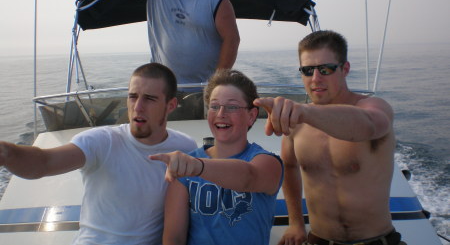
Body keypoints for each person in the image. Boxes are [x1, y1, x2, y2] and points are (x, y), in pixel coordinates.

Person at [0, 62, 197, 245]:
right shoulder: (101, 141)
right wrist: (6, 152)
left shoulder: (185, 147)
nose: (138, 107)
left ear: (170, 105)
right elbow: (44, 162)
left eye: (150, 99)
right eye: (133, 96)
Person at [254, 30, 406, 245]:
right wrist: (296, 223)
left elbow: (370, 124)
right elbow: (289, 166)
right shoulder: (298, 123)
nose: (316, 79)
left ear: (345, 69)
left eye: (325, 69)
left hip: (376, 240)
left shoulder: (373, 107)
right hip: (319, 239)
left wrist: (305, 112)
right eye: (308, 70)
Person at [150, 69, 283, 245]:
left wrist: (198, 167)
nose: (221, 114)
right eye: (214, 106)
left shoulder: (267, 162)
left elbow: (248, 177)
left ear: (251, 116)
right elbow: (174, 237)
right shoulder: (185, 166)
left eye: (232, 106)